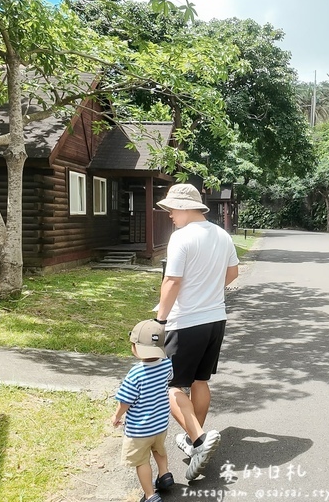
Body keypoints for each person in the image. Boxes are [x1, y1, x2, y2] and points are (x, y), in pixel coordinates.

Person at [153, 183, 239, 481]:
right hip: (216, 319)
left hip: (184, 322)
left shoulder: (181, 237)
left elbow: (172, 281)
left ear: (187, 208)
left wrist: (160, 321)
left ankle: (200, 440)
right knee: (200, 380)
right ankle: (193, 440)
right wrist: (209, 292)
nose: (170, 215)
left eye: (173, 209)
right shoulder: (222, 235)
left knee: (172, 387)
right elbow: (232, 273)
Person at [112, 319, 175, 502]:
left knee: (141, 461)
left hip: (140, 430)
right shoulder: (167, 364)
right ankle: (164, 474)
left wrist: (116, 416)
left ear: (136, 348)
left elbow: (125, 401)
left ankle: (150, 495)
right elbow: (169, 380)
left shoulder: (135, 374)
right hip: (160, 424)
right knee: (159, 450)